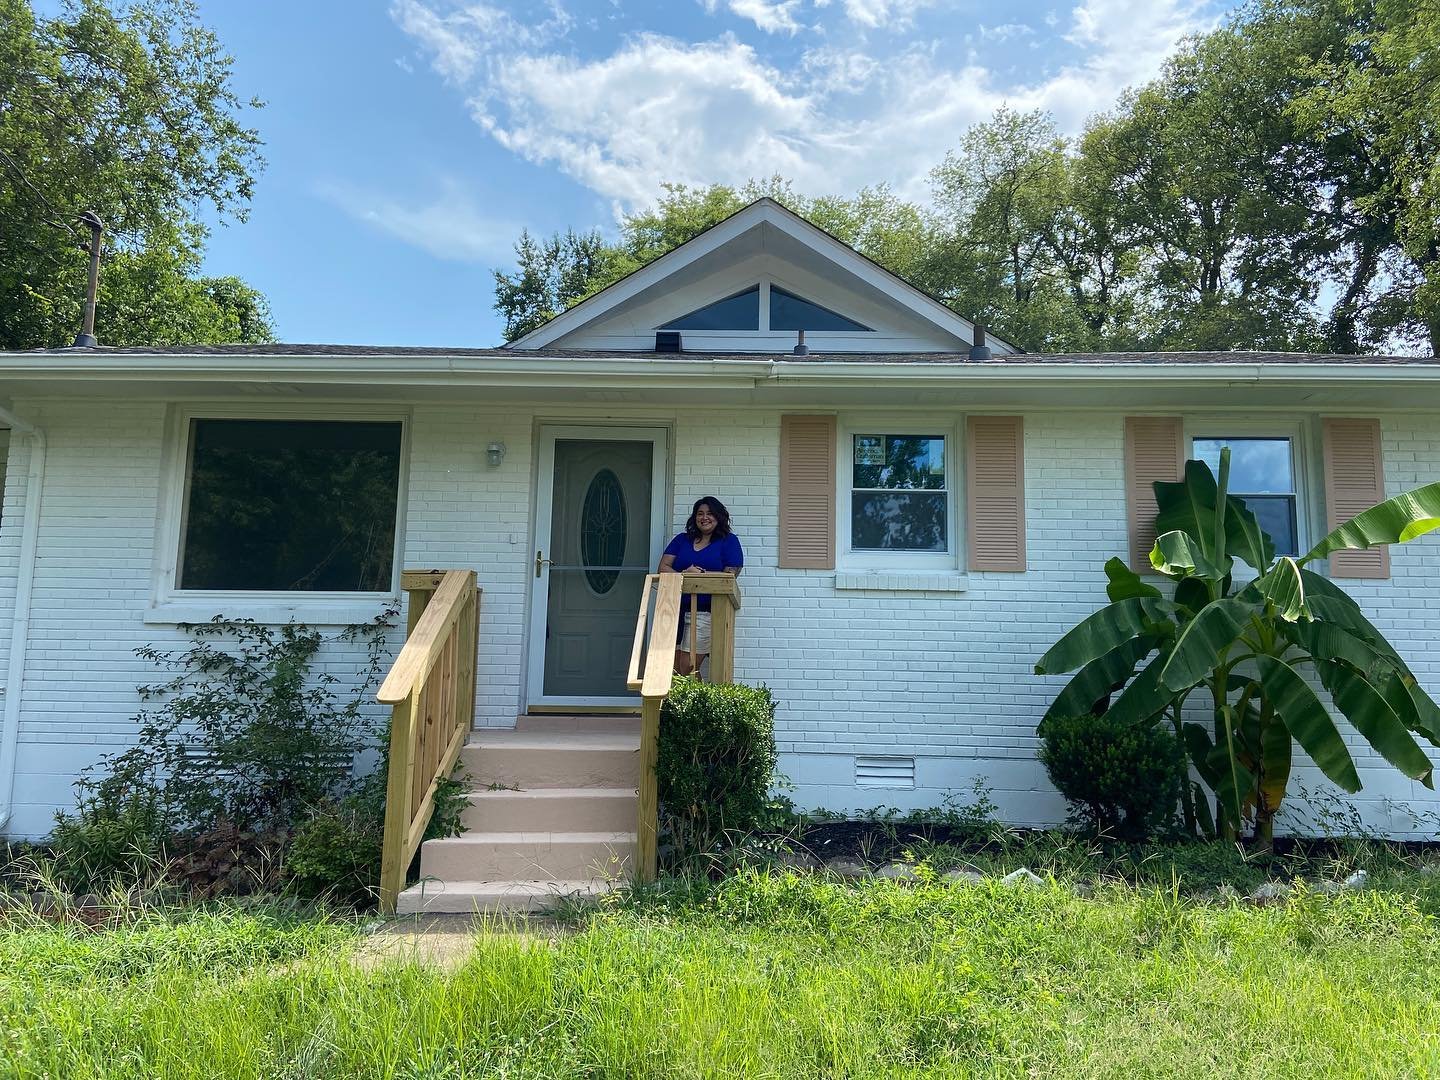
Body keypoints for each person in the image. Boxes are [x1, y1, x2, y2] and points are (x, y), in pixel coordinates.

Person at [659, 496, 743, 676]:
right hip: (676, 610)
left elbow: (730, 575)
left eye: (710, 513)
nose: (704, 517)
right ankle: (694, 704)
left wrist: (702, 575)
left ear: (719, 517)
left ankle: (693, 703)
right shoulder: (682, 540)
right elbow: (663, 568)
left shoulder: (729, 541)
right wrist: (685, 575)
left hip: (706, 612)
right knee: (675, 668)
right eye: (700, 513)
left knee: (687, 666)